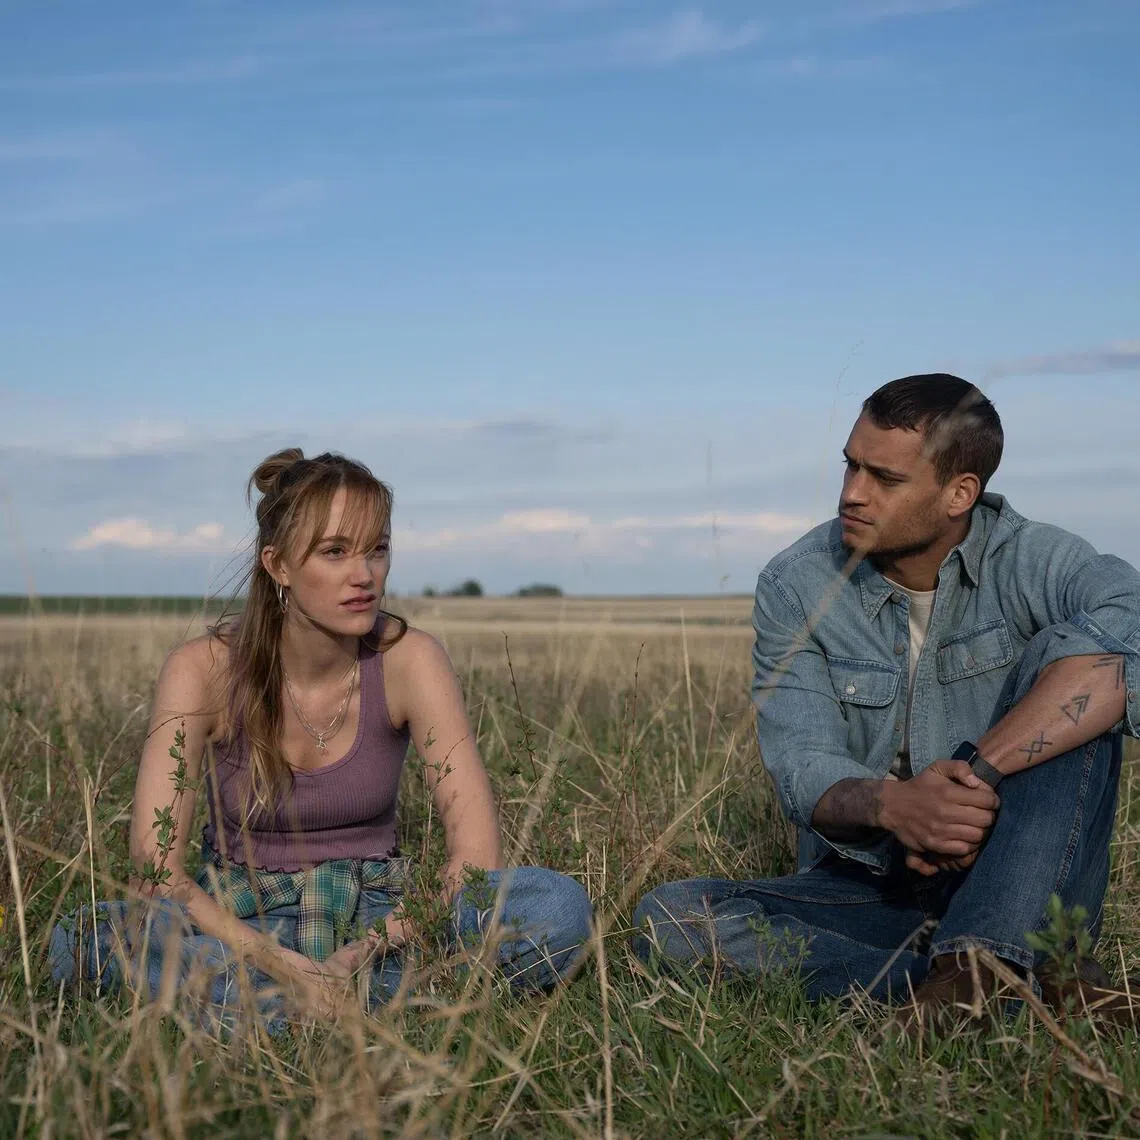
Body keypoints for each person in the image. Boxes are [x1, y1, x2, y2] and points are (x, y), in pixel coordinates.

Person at [633, 374, 1140, 1033]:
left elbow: (1128, 633)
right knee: (671, 920)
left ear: (960, 493)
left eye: (885, 478)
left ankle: (984, 964)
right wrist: (896, 807)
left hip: (1021, 877)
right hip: (875, 885)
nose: (853, 493)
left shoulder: (1036, 561)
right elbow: (802, 764)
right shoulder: (797, 583)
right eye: (851, 465)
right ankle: (990, 987)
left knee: (1077, 665)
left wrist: (970, 780)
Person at [50, 448, 592, 1033]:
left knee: (557, 907)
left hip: (382, 923)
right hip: (242, 922)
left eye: (377, 549)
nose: (364, 575)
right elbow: (157, 872)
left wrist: (357, 955)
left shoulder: (412, 660)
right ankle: (375, 1004)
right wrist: (279, 963)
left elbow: (476, 861)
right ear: (278, 565)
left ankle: (281, 1009)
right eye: (335, 552)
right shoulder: (201, 670)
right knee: (85, 937)